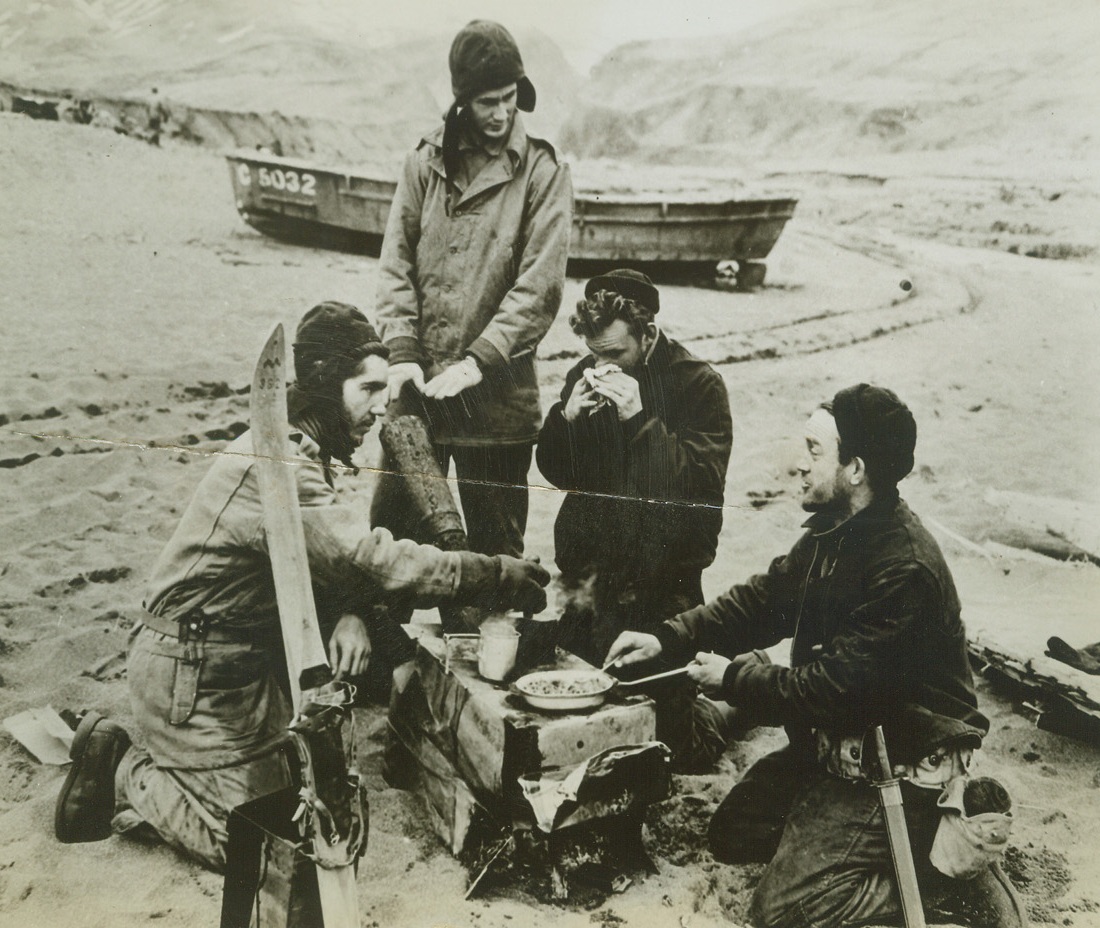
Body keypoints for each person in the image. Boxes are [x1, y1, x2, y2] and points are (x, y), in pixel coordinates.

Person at [54, 302, 551, 873]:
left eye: (384, 388)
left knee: (303, 805)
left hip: (243, 673)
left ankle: (188, 772)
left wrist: (354, 614)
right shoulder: (278, 463)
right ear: (321, 386)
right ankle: (120, 765)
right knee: (263, 846)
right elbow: (367, 559)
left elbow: (326, 561)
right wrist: (489, 573)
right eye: (367, 388)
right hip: (191, 675)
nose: (381, 404)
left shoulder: (306, 451)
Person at [606, 384, 1026, 928]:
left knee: (781, 912)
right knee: (736, 834)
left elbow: (833, 690)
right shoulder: (839, 531)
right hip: (841, 743)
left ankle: (947, 879)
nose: (796, 465)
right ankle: (879, 847)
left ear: (855, 468)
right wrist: (668, 636)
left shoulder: (903, 568)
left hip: (893, 767)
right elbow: (763, 600)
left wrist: (734, 678)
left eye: (813, 451)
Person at [372, 19, 573, 561]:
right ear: (462, 101)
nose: (502, 113)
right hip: (417, 402)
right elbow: (395, 265)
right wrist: (400, 352)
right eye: (487, 101)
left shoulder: (543, 172)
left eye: (510, 98)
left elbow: (540, 286)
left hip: (498, 406)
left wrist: (481, 360)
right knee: (393, 551)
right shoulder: (422, 163)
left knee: (494, 564)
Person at [536, 269, 735, 769]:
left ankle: (731, 701)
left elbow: (698, 495)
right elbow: (559, 473)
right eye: (594, 353)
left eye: (615, 355)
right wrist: (566, 421)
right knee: (572, 712)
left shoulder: (700, 385)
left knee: (670, 748)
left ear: (648, 335)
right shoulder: (587, 369)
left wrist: (640, 422)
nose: (602, 366)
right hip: (593, 587)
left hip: (662, 591)